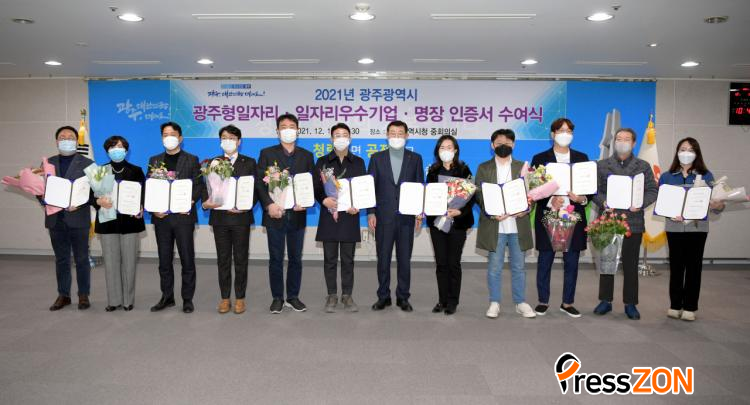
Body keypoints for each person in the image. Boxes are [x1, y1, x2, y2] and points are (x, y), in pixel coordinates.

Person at [592, 128, 658, 320]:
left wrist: (641, 203)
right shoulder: (602, 165)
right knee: (607, 263)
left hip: (633, 222)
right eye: (619, 139)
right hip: (609, 221)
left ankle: (630, 303)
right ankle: (605, 300)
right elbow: (594, 191)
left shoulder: (643, 166)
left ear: (634, 143)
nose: (622, 142)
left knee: (630, 265)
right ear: (614, 142)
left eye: (626, 139)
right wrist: (604, 202)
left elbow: (652, 190)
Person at [659, 137, 724, 321]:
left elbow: (717, 206)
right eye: (682, 149)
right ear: (677, 152)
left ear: (696, 153)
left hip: (697, 229)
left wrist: (717, 205)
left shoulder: (707, 175)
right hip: (674, 228)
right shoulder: (667, 176)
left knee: (694, 268)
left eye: (690, 150)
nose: (686, 153)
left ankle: (690, 307)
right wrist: (669, 211)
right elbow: (662, 202)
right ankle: (675, 305)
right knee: (676, 267)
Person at [530, 118, 590, 318]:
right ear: (552, 134)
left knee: (572, 262)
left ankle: (567, 302)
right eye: (561, 130)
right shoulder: (540, 158)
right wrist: (550, 200)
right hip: (548, 215)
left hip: (574, 215)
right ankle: (543, 301)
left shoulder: (582, 158)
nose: (565, 134)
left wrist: (581, 198)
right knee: (545, 260)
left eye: (569, 131)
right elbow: (534, 189)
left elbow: (590, 188)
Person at [256, 113, 315, 314]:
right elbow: (260, 183)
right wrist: (268, 205)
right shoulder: (267, 153)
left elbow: (311, 184)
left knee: (296, 258)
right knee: (276, 258)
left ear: (298, 130)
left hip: (297, 215)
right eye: (283, 126)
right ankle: (277, 298)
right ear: (277, 131)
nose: (288, 130)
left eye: (292, 126)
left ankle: (293, 297)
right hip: (274, 214)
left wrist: (306, 202)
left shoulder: (306, 156)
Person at [475, 129, 536, 318]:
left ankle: (520, 302)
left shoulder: (523, 167)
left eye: (508, 142)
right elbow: (479, 195)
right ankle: (494, 302)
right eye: (499, 142)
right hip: (496, 226)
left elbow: (532, 194)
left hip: (518, 225)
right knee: (494, 268)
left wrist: (527, 208)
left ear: (514, 145)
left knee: (519, 267)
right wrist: (491, 212)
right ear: (492, 145)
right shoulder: (484, 167)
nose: (504, 145)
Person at [367, 120, 424, 312]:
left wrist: (419, 213)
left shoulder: (415, 158)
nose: (396, 136)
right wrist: (371, 212)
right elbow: (370, 188)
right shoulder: (376, 158)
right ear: (387, 135)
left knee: (404, 259)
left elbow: (420, 186)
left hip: (407, 217)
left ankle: (403, 297)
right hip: (383, 216)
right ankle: (383, 296)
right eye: (393, 133)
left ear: (407, 136)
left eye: (400, 133)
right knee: (383, 259)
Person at [201, 125, 257, 315]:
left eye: (232, 138)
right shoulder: (212, 163)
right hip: (220, 219)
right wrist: (206, 203)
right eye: (224, 138)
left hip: (241, 218)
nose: (228, 141)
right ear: (220, 141)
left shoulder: (249, 162)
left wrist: (245, 205)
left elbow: (255, 189)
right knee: (223, 260)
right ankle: (225, 298)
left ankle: (240, 298)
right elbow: (205, 188)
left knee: (241, 259)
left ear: (239, 142)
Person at [148, 122, 202, 314]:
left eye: (172, 134)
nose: (168, 137)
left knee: (187, 259)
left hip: (183, 217)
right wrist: (153, 209)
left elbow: (199, 185)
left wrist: (189, 202)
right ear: (161, 138)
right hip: (161, 218)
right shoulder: (154, 160)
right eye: (165, 134)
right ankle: (167, 297)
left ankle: (187, 299)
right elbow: (150, 187)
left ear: (180, 138)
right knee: (164, 261)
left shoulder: (192, 159)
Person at [313, 123, 366, 313]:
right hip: (329, 215)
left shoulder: (358, 162)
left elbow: (361, 188)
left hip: (350, 216)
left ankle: (347, 295)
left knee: (348, 259)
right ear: (331, 139)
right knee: (329, 259)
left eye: (344, 134)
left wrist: (357, 205)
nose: (341, 138)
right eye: (337, 135)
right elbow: (316, 188)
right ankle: (332, 295)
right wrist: (324, 200)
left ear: (350, 138)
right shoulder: (322, 161)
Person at [93, 136, 145, 312]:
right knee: (111, 263)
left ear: (126, 150)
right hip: (108, 222)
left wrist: (140, 206)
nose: (117, 149)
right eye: (113, 147)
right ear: (107, 150)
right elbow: (91, 196)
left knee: (129, 263)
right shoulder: (100, 171)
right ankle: (114, 300)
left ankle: (128, 300)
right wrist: (98, 201)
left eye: (120, 146)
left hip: (130, 222)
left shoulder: (136, 170)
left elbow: (143, 194)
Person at [45, 126, 95, 311]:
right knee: (61, 259)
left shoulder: (88, 163)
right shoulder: (48, 163)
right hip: (55, 219)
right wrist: (45, 199)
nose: (66, 140)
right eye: (62, 137)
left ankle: (83, 295)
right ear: (57, 141)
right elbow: (41, 189)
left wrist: (80, 203)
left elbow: (95, 192)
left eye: (70, 137)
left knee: (82, 259)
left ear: (76, 141)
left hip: (78, 218)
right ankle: (63, 295)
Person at [426, 135, 474, 315]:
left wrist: (460, 211)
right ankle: (442, 300)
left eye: (449, 147)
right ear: (437, 151)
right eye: (442, 148)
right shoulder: (433, 171)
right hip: (438, 223)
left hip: (457, 223)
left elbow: (472, 197)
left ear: (455, 150)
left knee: (453, 263)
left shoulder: (464, 170)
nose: (446, 151)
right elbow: (429, 196)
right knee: (441, 263)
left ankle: (453, 301)